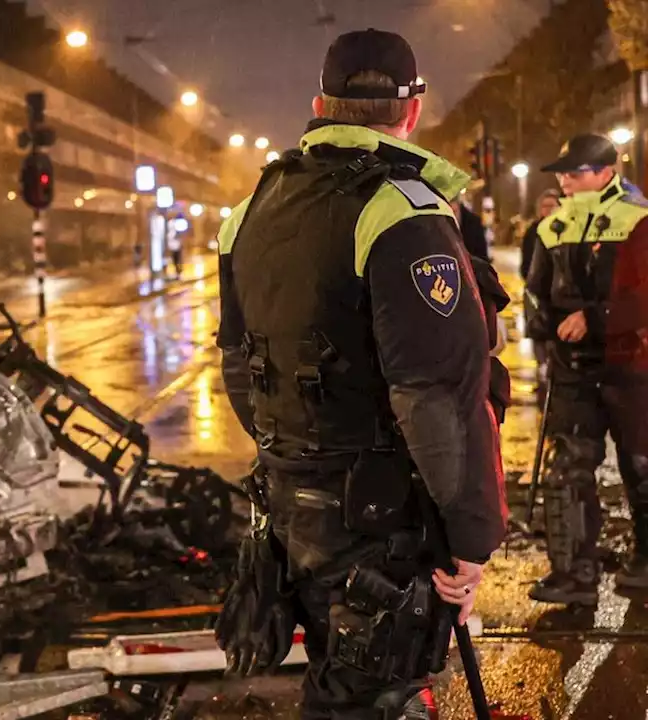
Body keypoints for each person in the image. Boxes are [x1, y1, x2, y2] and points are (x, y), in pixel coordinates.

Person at [213, 29, 507, 719]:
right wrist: (472, 539)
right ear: (412, 111)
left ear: (320, 102)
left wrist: (297, 459)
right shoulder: (402, 212)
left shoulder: (247, 212)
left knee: (337, 674)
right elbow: (435, 398)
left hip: (294, 509)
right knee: (374, 695)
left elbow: (235, 366)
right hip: (381, 521)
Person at [526, 133, 648, 602]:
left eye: (575, 173)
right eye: (563, 173)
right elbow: (537, 288)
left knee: (641, 465)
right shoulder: (551, 227)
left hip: (631, 366)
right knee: (570, 469)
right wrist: (547, 328)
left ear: (605, 171)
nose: (565, 180)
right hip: (572, 368)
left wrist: (596, 320)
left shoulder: (637, 220)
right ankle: (574, 573)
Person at [520, 189, 561, 278]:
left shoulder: (565, 228)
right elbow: (526, 256)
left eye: (551, 206)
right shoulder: (533, 230)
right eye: (544, 206)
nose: (548, 209)